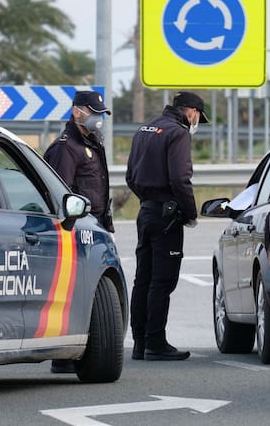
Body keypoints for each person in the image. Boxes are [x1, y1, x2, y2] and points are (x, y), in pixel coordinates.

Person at [125, 91, 209, 361]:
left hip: (146, 210)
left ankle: (139, 342)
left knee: (143, 279)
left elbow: (130, 175)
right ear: (192, 112)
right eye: (198, 117)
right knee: (162, 281)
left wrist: (148, 199)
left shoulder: (145, 128)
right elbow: (180, 178)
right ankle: (155, 342)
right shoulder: (178, 133)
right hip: (166, 214)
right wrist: (190, 213)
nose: (197, 122)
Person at [43, 89, 114, 373]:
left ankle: (77, 353)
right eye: (94, 113)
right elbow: (60, 194)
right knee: (73, 291)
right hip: (74, 229)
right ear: (77, 112)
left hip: (94, 226)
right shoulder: (66, 147)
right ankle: (64, 356)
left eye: (101, 114)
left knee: (92, 293)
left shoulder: (91, 141)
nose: (99, 118)